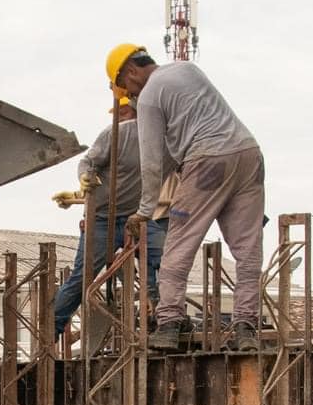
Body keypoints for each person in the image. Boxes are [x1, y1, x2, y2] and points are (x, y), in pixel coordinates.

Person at [109, 44, 265, 352]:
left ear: (131, 72)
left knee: (178, 243)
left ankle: (168, 323)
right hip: (249, 154)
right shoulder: (187, 69)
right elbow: (171, 156)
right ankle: (246, 327)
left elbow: (152, 163)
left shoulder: (150, 96)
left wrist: (144, 211)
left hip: (207, 163)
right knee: (248, 249)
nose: (130, 95)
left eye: (126, 88)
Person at [49, 91, 166, 338]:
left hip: (138, 218)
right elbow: (88, 163)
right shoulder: (115, 135)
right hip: (103, 220)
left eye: (124, 112)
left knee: (167, 260)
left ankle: (162, 320)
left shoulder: (160, 139)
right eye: (119, 114)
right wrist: (85, 179)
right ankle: (50, 330)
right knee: (83, 278)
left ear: (138, 112)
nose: (121, 118)